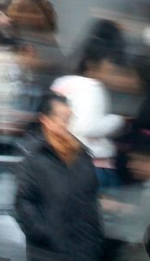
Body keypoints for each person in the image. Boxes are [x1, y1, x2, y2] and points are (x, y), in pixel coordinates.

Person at [15, 92, 104, 261]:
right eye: (62, 118)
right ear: (46, 120)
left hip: (81, 253)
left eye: (69, 118)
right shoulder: (34, 156)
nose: (67, 123)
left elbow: (91, 202)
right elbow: (24, 203)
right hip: (47, 256)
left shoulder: (81, 155)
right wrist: (46, 235)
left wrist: (94, 243)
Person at [52, 37, 125, 188]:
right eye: (109, 62)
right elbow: (87, 126)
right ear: (93, 64)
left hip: (62, 161)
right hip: (94, 164)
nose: (111, 68)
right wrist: (117, 121)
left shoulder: (62, 83)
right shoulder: (92, 87)